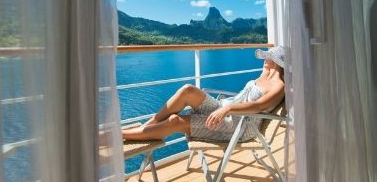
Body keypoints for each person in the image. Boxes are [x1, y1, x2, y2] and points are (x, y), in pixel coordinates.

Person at [120, 46, 285, 142]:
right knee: (188, 90)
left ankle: (121, 136)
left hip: (239, 127)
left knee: (175, 121)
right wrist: (224, 107)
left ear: (278, 63)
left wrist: (226, 110)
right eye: (265, 56)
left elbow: (259, 106)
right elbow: (245, 95)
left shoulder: (279, 86)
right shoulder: (263, 75)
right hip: (226, 109)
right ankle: (148, 125)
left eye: (269, 57)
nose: (265, 59)